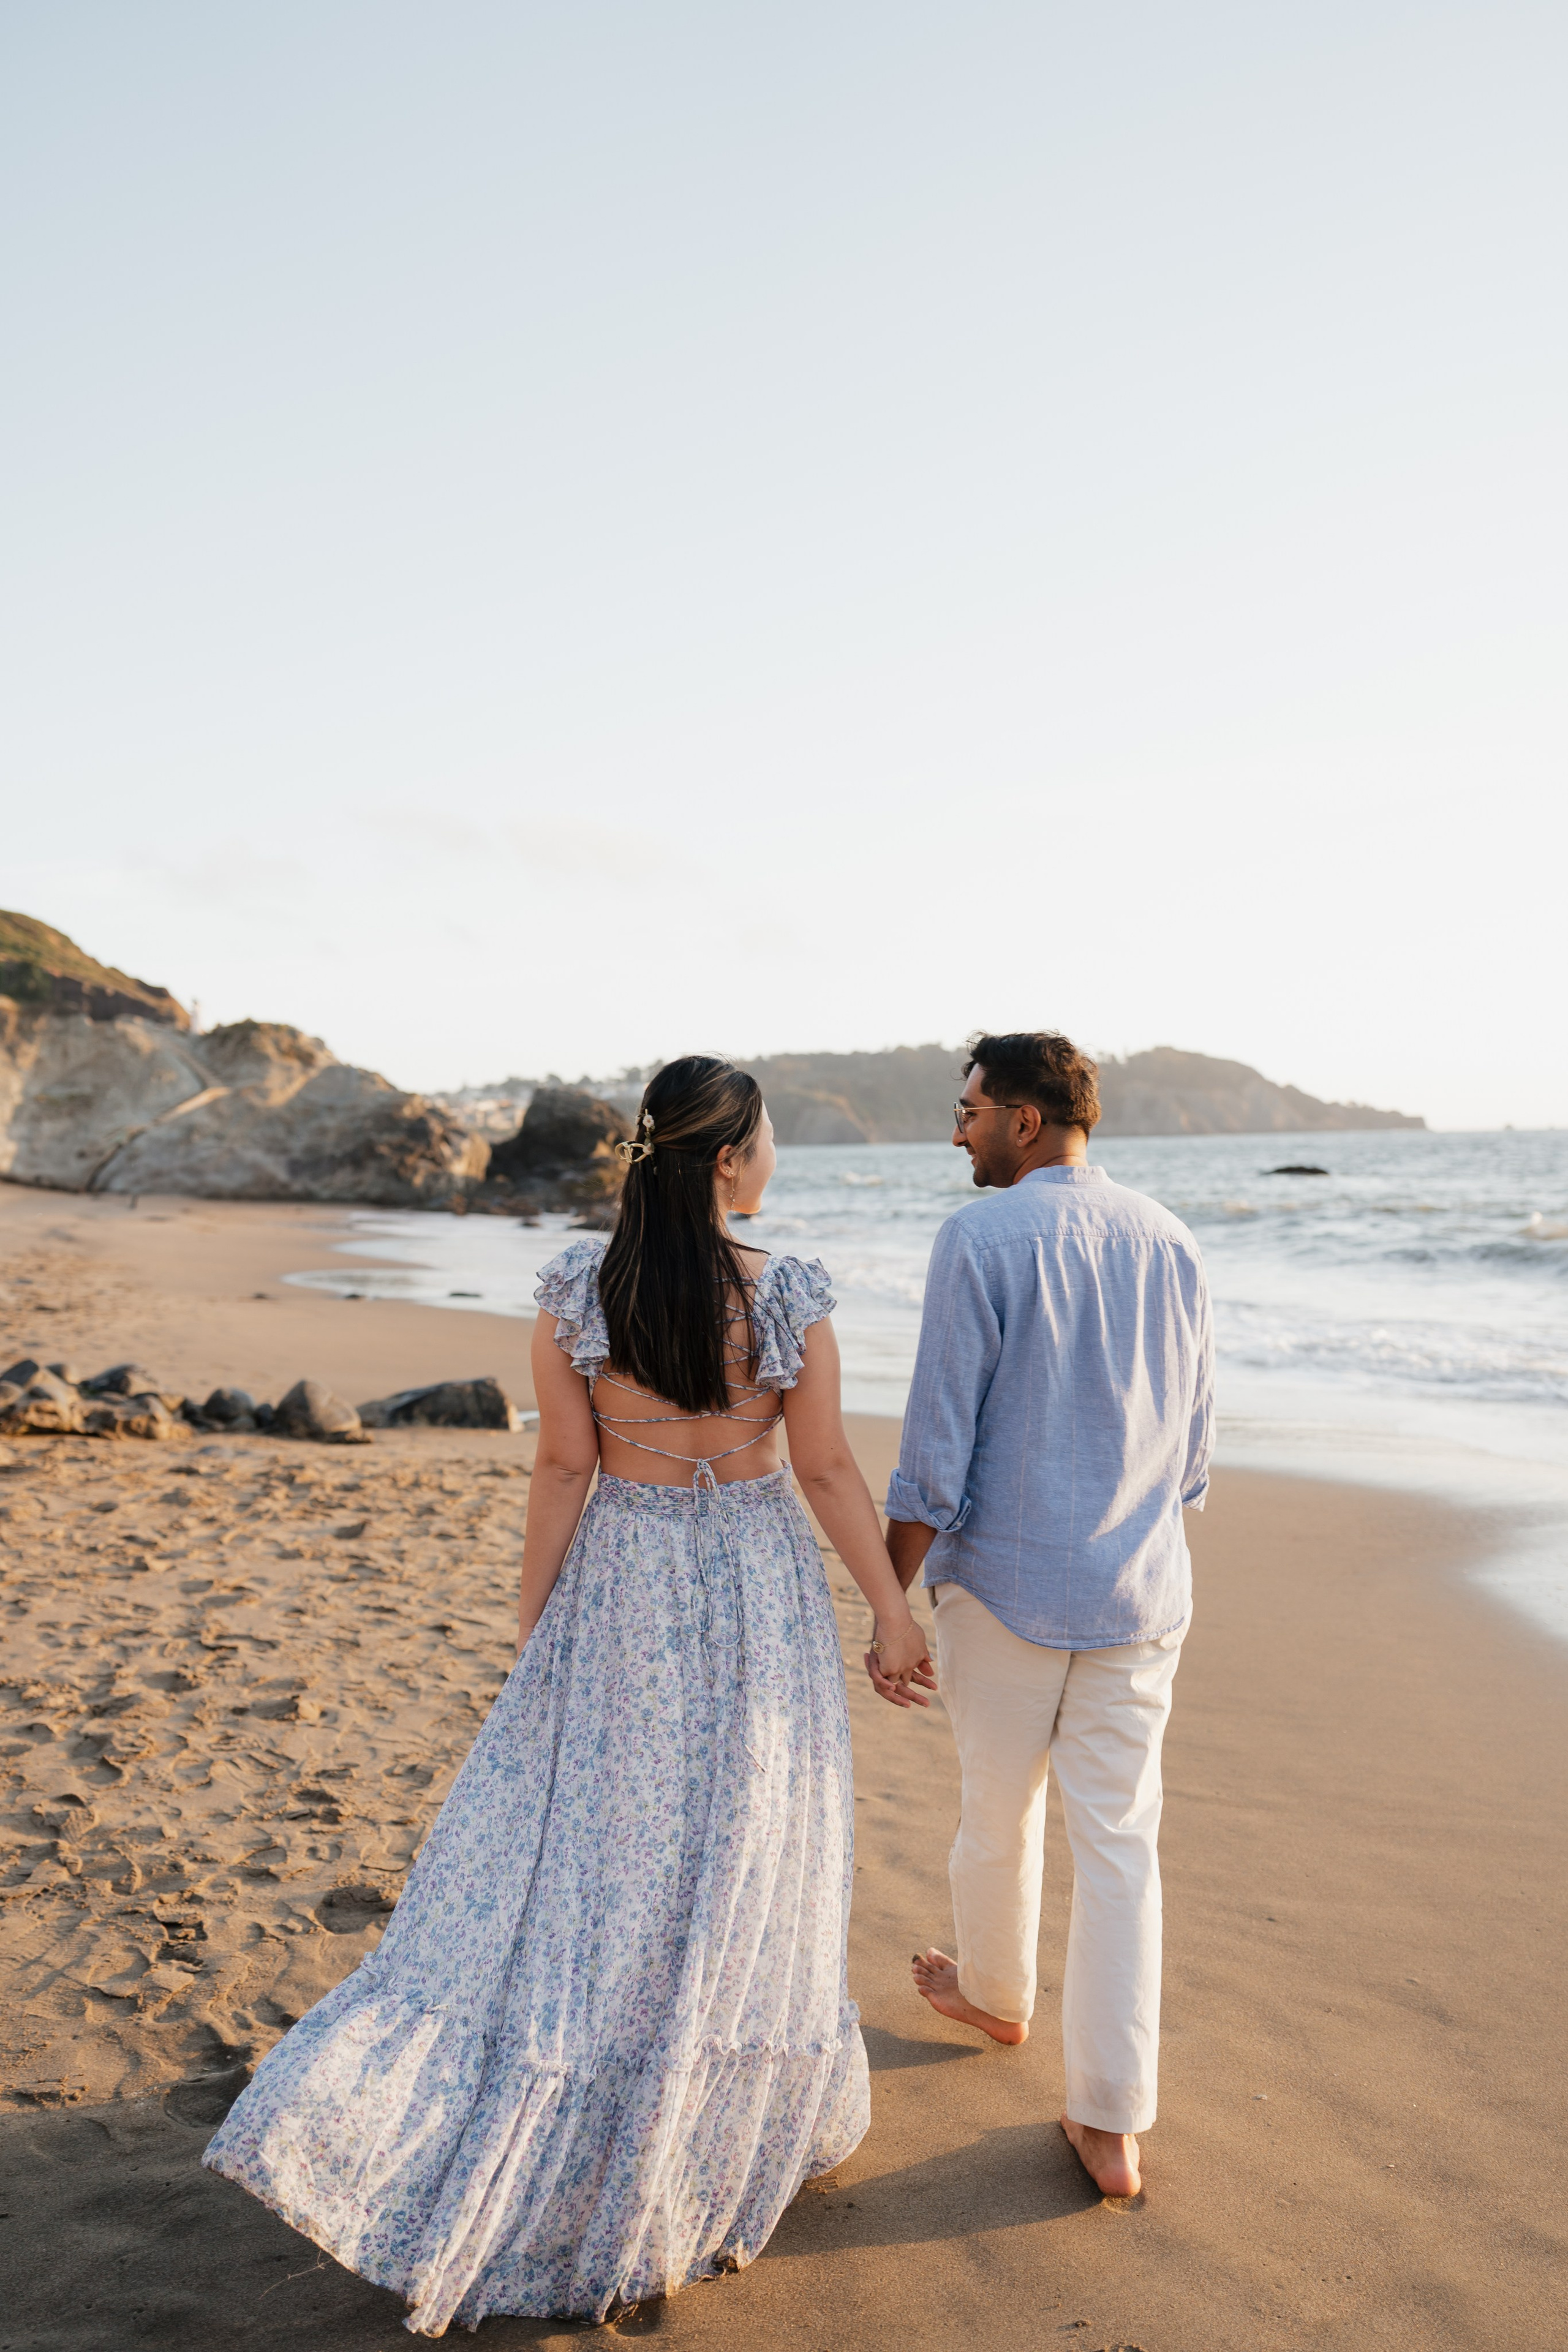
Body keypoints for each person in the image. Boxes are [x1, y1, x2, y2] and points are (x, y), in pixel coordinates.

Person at [205, 1056, 931, 2334]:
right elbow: (820, 1468)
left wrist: (538, 1620)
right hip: (753, 1583)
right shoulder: (786, 1292)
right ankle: (698, 2101)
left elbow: (559, 1467)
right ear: (724, 1160)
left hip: (628, 1579)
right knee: (744, 1838)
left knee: (614, 1843)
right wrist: (887, 1607)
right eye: (761, 1143)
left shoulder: (576, 1294)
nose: (770, 1164)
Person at [867, 1030, 1213, 2201]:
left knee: (995, 1807)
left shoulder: (978, 1237)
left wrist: (888, 1596)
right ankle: (1112, 2125)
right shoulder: (1173, 1240)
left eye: (969, 1110)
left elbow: (934, 1452)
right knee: (1120, 1849)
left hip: (1006, 1589)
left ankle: (999, 1999)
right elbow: (1196, 1454)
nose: (955, 1129)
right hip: (1140, 1592)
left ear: (1023, 1118)